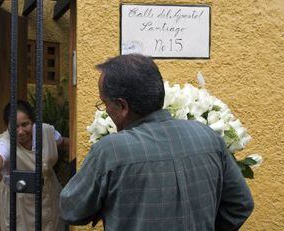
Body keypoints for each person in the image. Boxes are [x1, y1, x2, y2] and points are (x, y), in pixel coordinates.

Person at [59, 54, 254, 230]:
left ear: (122, 106)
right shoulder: (208, 136)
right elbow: (241, 204)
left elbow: (71, 210)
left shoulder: (111, 151)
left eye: (104, 103)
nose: (105, 110)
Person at [0, 100, 68, 231]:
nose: (21, 131)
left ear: (33, 122)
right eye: (15, 127)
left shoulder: (46, 131)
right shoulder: (5, 142)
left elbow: (63, 142)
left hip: (49, 196)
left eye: (25, 124)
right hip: (18, 203)